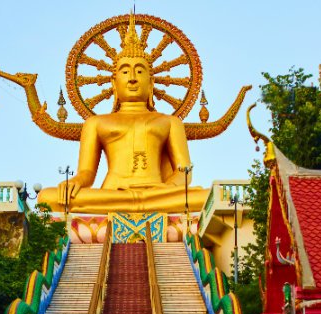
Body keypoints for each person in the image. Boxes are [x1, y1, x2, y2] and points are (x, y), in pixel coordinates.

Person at [35, 12, 209, 214]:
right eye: (125, 71)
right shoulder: (96, 123)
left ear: (151, 82)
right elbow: (87, 172)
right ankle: (139, 204)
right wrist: (75, 182)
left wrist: (166, 188)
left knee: (208, 196)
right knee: (47, 197)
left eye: (140, 71)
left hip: (158, 193)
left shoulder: (170, 122)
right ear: (114, 82)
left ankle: (141, 203)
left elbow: (184, 173)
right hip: (113, 193)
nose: (132, 78)